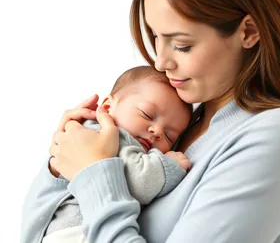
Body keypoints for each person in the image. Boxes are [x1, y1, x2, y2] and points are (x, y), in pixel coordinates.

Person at [23, 0, 280, 242]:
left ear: (248, 32)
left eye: (181, 44)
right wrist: (59, 165)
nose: (159, 61)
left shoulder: (277, 138)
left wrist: (93, 173)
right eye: (155, 36)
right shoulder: (184, 122)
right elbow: (35, 234)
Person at [21, 65, 192, 243]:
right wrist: (168, 165)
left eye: (168, 135)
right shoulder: (107, 136)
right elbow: (139, 182)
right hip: (74, 233)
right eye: (147, 115)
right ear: (108, 106)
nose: (156, 130)